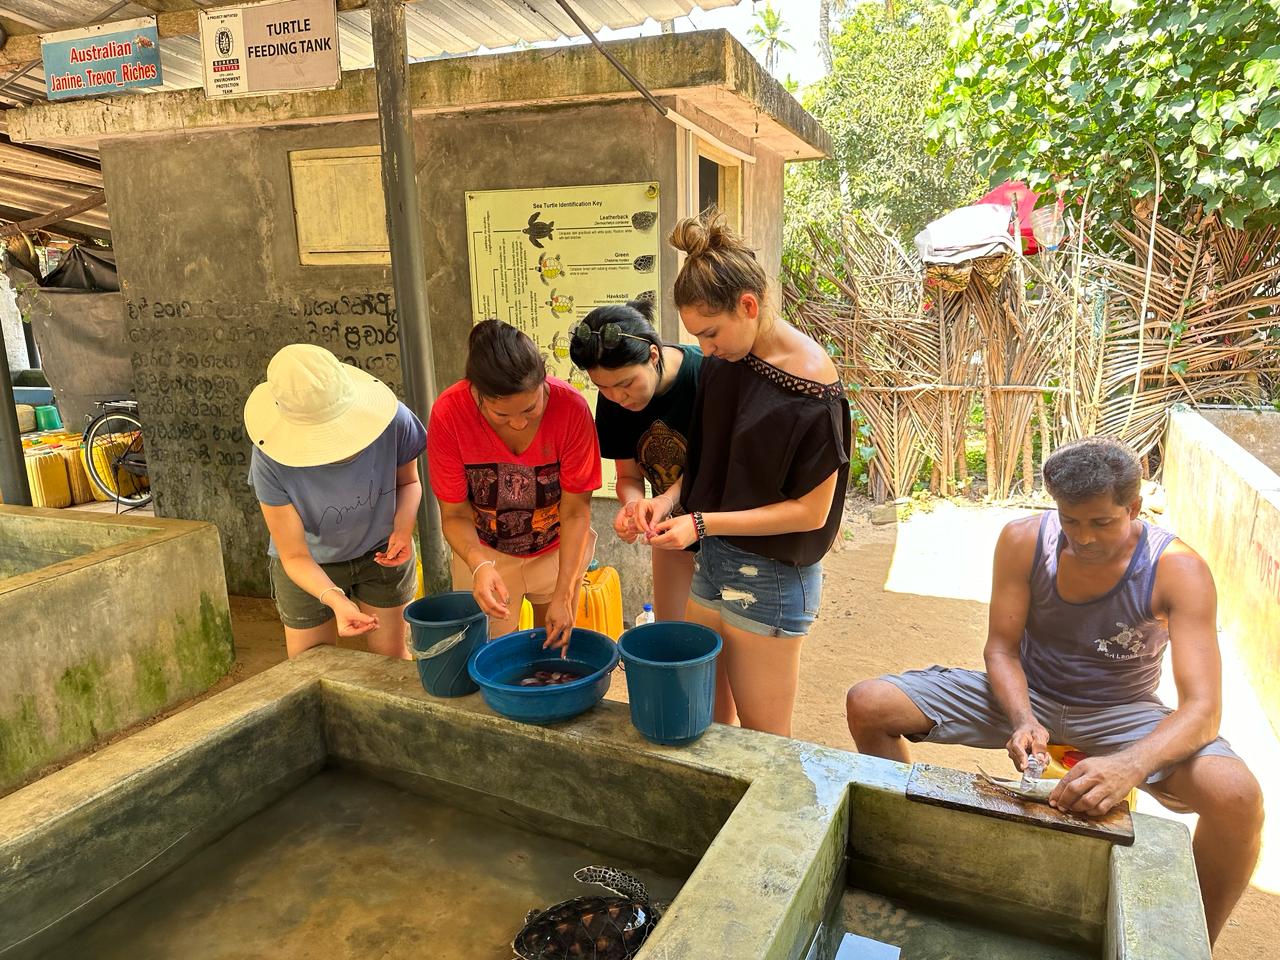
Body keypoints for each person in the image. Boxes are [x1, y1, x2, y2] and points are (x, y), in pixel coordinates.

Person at [844, 437, 1263, 946]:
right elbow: (1000, 649)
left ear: (1134, 507)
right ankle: (907, 859)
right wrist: (1021, 718)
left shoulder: (1177, 568)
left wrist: (1130, 764)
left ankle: (1193, 945)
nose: (1082, 538)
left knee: (1237, 798)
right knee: (869, 703)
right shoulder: (1023, 540)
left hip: (1122, 712)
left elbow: (1203, 709)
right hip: (1028, 694)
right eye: (1070, 520)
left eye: (1101, 522)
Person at [641, 211, 852, 737]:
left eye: (709, 334)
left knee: (764, 742)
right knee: (709, 718)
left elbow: (810, 512)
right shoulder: (724, 361)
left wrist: (703, 524)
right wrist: (667, 500)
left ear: (749, 305)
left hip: (774, 576)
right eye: (696, 337)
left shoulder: (812, 389)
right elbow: (705, 463)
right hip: (714, 560)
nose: (704, 350)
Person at [244, 343, 426, 659]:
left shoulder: (394, 420)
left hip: (382, 553)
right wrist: (334, 598)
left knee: (393, 664)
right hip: (309, 564)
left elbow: (409, 482)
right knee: (310, 667)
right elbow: (294, 555)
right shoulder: (269, 457)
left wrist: (402, 528)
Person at [428, 319, 601, 645]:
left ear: (542, 380)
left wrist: (564, 593)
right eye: (502, 415)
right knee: (483, 657)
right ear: (475, 391)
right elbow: (454, 515)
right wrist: (479, 567)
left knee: (554, 653)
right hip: (482, 550)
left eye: (531, 407)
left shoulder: (571, 409)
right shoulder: (449, 414)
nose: (519, 423)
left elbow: (576, 511)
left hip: (556, 550)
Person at [568, 296, 702, 620]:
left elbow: (710, 467)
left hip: (721, 525)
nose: (617, 397)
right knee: (672, 633)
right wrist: (633, 507)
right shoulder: (614, 399)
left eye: (626, 383)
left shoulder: (703, 376)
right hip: (668, 530)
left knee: (720, 643)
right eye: (603, 387)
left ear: (652, 354)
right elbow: (628, 476)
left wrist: (664, 503)